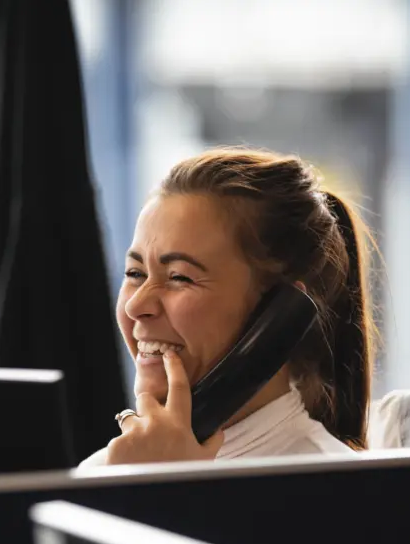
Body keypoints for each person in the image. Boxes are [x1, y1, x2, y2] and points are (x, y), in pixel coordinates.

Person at [79, 147, 378, 468]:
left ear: (281, 315)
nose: (136, 305)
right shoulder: (109, 467)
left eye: (179, 277)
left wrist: (161, 487)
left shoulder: (338, 485)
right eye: (135, 274)